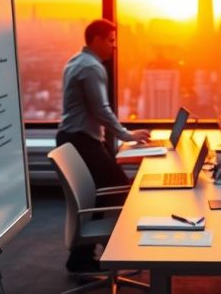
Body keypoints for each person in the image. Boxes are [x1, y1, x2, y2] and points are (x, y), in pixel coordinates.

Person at [56, 18, 150, 273]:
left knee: (102, 191)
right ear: (96, 40)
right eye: (110, 40)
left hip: (73, 137)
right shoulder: (91, 67)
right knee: (119, 187)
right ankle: (112, 249)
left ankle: (82, 257)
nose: (114, 46)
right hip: (81, 140)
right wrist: (127, 135)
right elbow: (101, 110)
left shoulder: (76, 60)